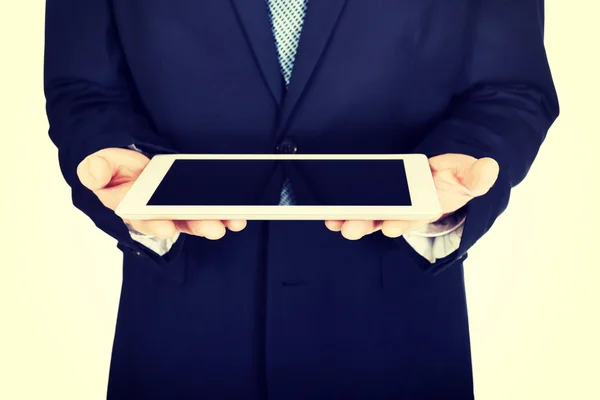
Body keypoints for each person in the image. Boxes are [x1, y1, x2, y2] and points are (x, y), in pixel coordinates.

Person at [43, 0, 558, 398]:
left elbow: (509, 87)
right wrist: (113, 154)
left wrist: (463, 163)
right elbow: (84, 87)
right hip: (182, 332)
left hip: (393, 335)